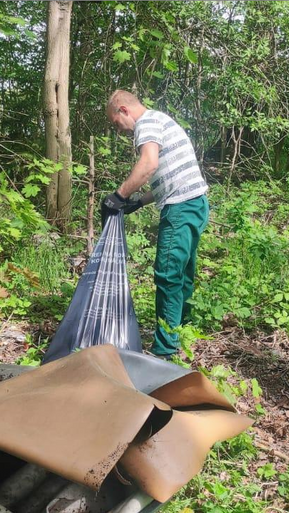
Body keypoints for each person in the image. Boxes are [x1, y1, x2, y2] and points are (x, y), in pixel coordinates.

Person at [101, 90, 210, 360]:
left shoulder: (146, 123)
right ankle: (182, 331)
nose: (120, 130)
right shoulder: (160, 120)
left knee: (168, 275)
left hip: (181, 208)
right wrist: (139, 201)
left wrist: (119, 196)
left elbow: (149, 164)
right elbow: (166, 176)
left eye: (117, 123)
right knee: (183, 273)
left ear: (124, 110)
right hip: (195, 204)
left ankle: (165, 350)